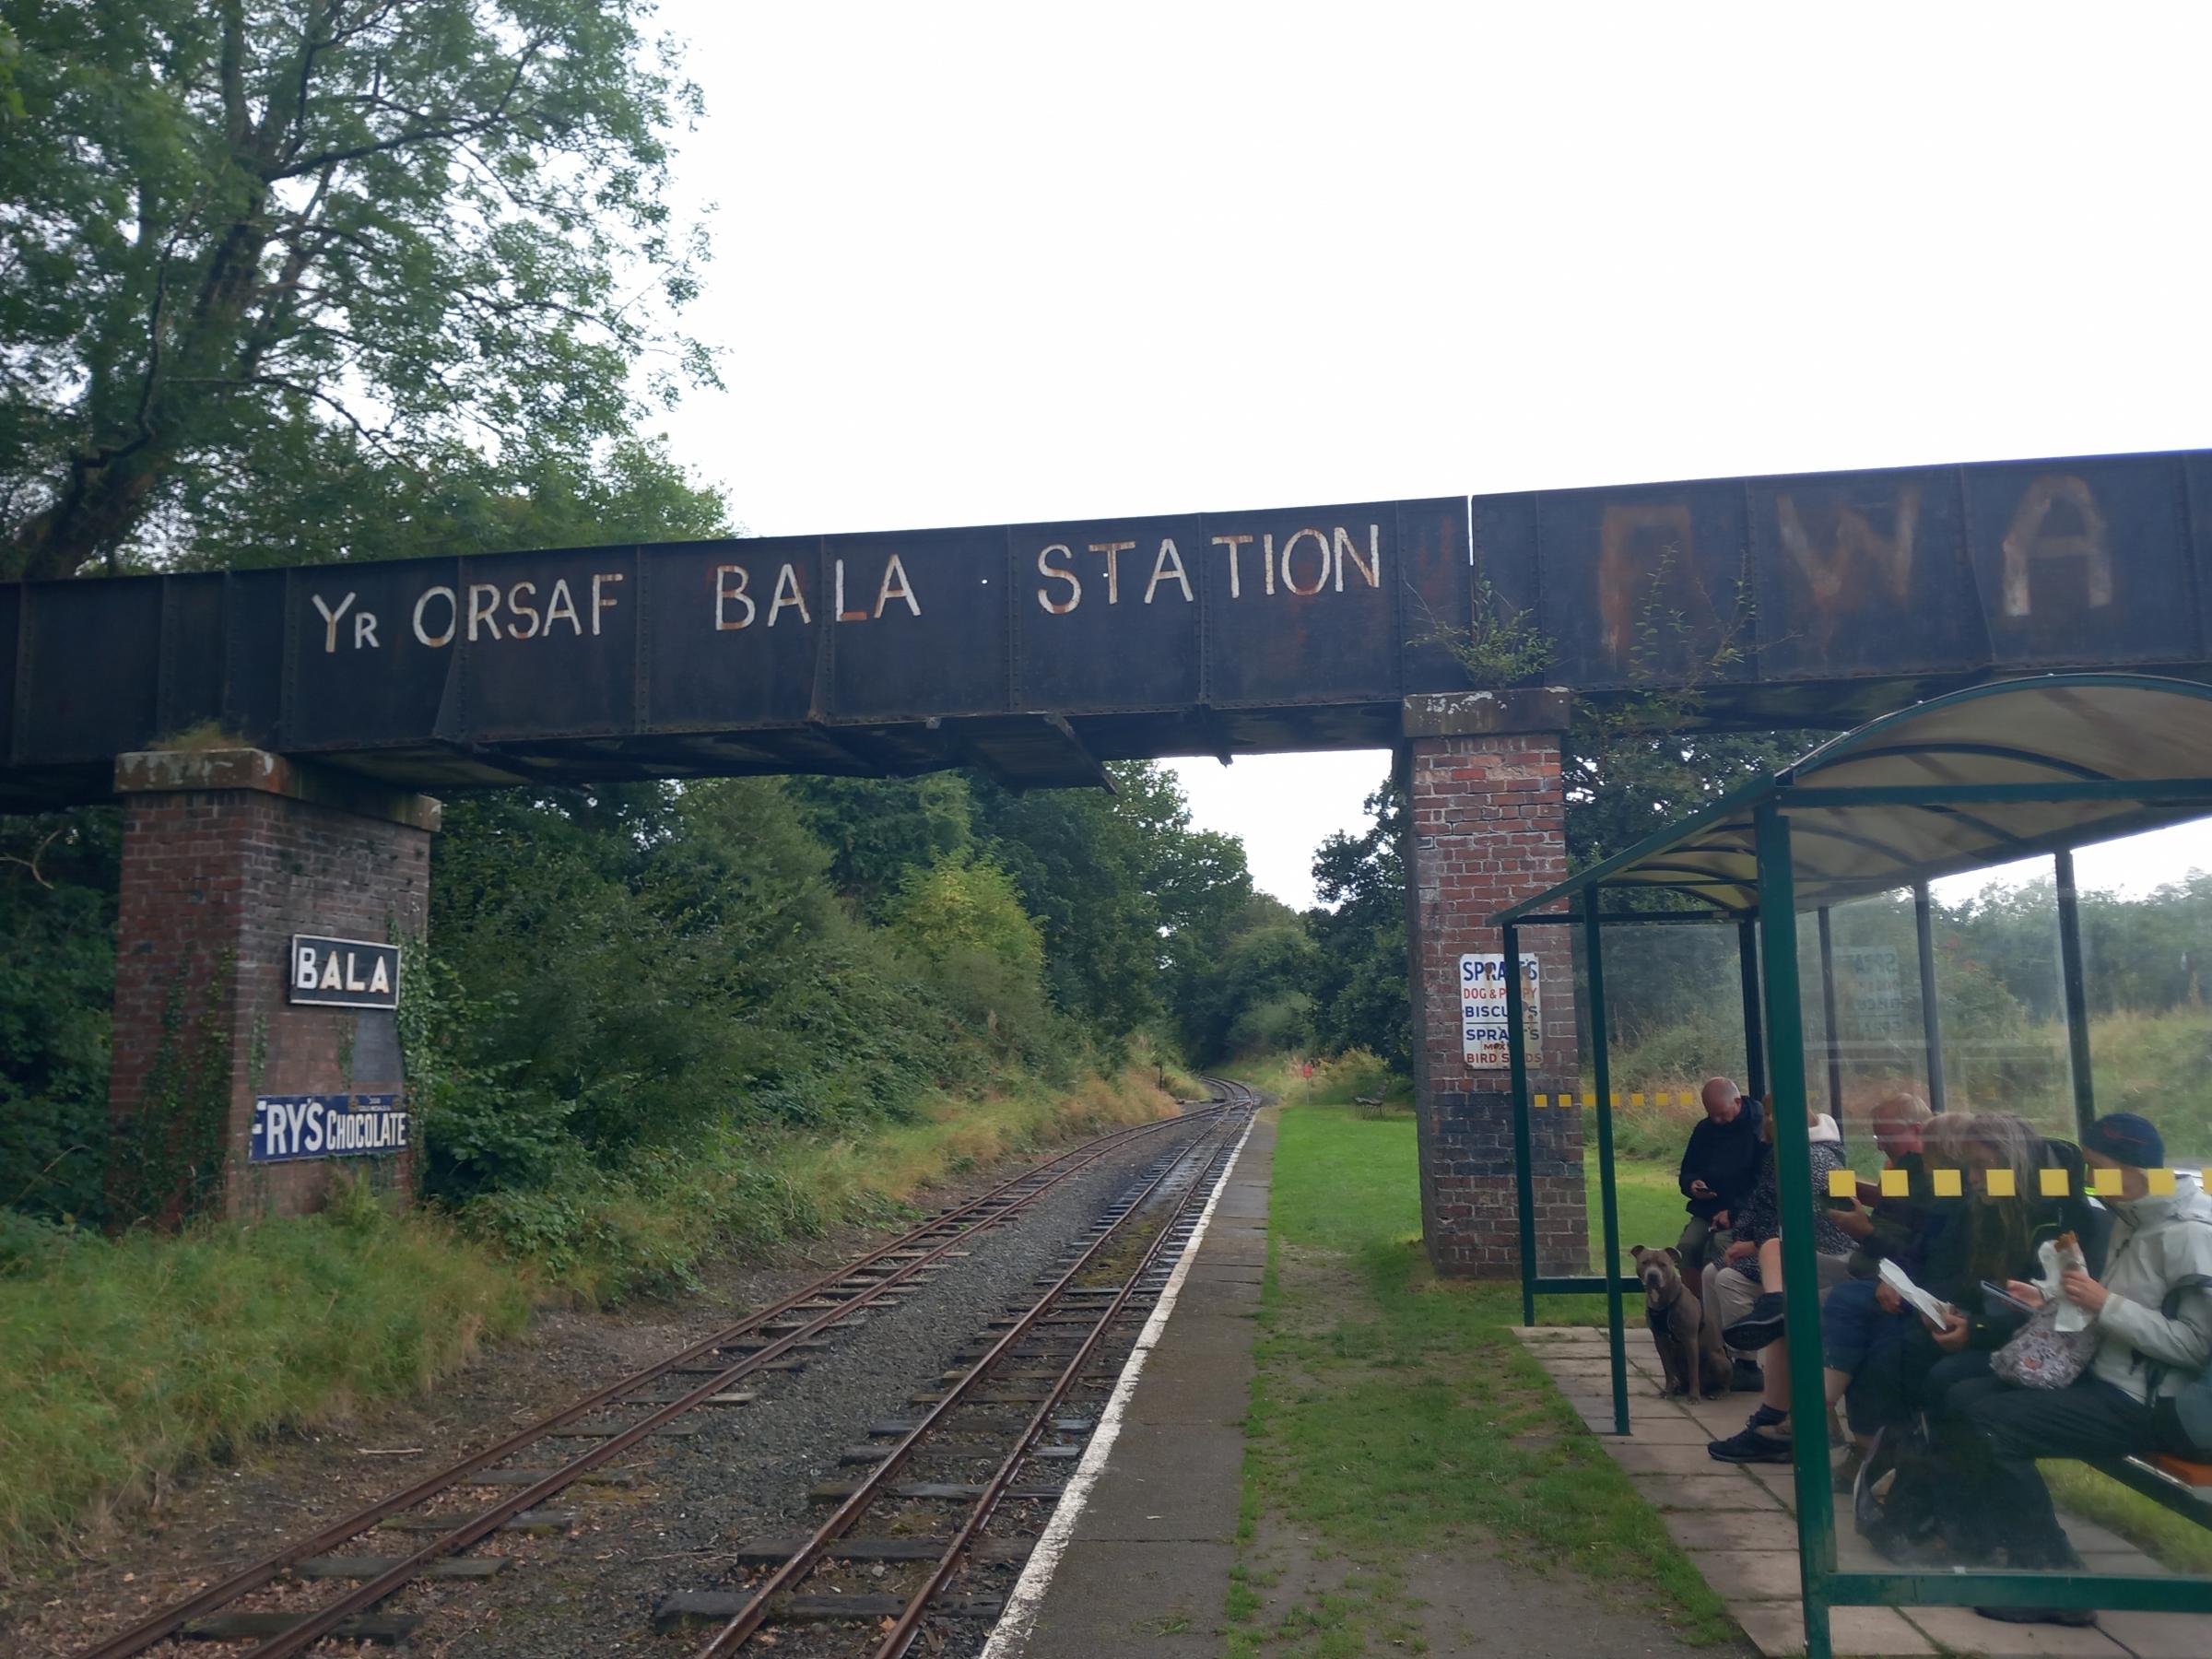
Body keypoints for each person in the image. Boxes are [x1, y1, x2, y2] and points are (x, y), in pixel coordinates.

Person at [1933, 1114, 2212, 1626]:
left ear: (2135, 1167)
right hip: (2113, 1378)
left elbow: (2196, 1347)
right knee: (1964, 1394)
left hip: (2156, 1403)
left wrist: (2105, 1304)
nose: (2092, 1182)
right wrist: (2047, 1295)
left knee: (1992, 1421)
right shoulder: (2134, 1216)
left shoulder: (2190, 1234)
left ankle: (2059, 1581)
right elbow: (2121, 1303)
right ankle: (1996, 1543)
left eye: (2100, 1169)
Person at [1706, 1100, 1871, 1463]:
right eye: (1765, 1115)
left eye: (1773, 1115)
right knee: (1723, 1272)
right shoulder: (1785, 1155)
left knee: (1748, 1284)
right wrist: (1743, 1233)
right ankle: (1730, 1358)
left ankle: (1753, 1371)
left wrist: (1750, 1242)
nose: (1766, 1122)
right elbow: (1761, 1205)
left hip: (1824, 1257)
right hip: (1794, 1253)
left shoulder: (1813, 1161)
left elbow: (1812, 1223)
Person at [1675, 1077, 1764, 1299]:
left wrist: (1734, 1212)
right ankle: (1695, 1310)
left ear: (1737, 1101)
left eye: (1722, 1114)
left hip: (1743, 1212)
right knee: (1687, 1247)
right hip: (1708, 1208)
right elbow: (1688, 1169)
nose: (1717, 1120)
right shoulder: (1705, 1129)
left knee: (1715, 1247)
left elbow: (1763, 1184)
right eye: (1711, 1114)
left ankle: (1717, 1313)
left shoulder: (1760, 1129)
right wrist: (1692, 1184)